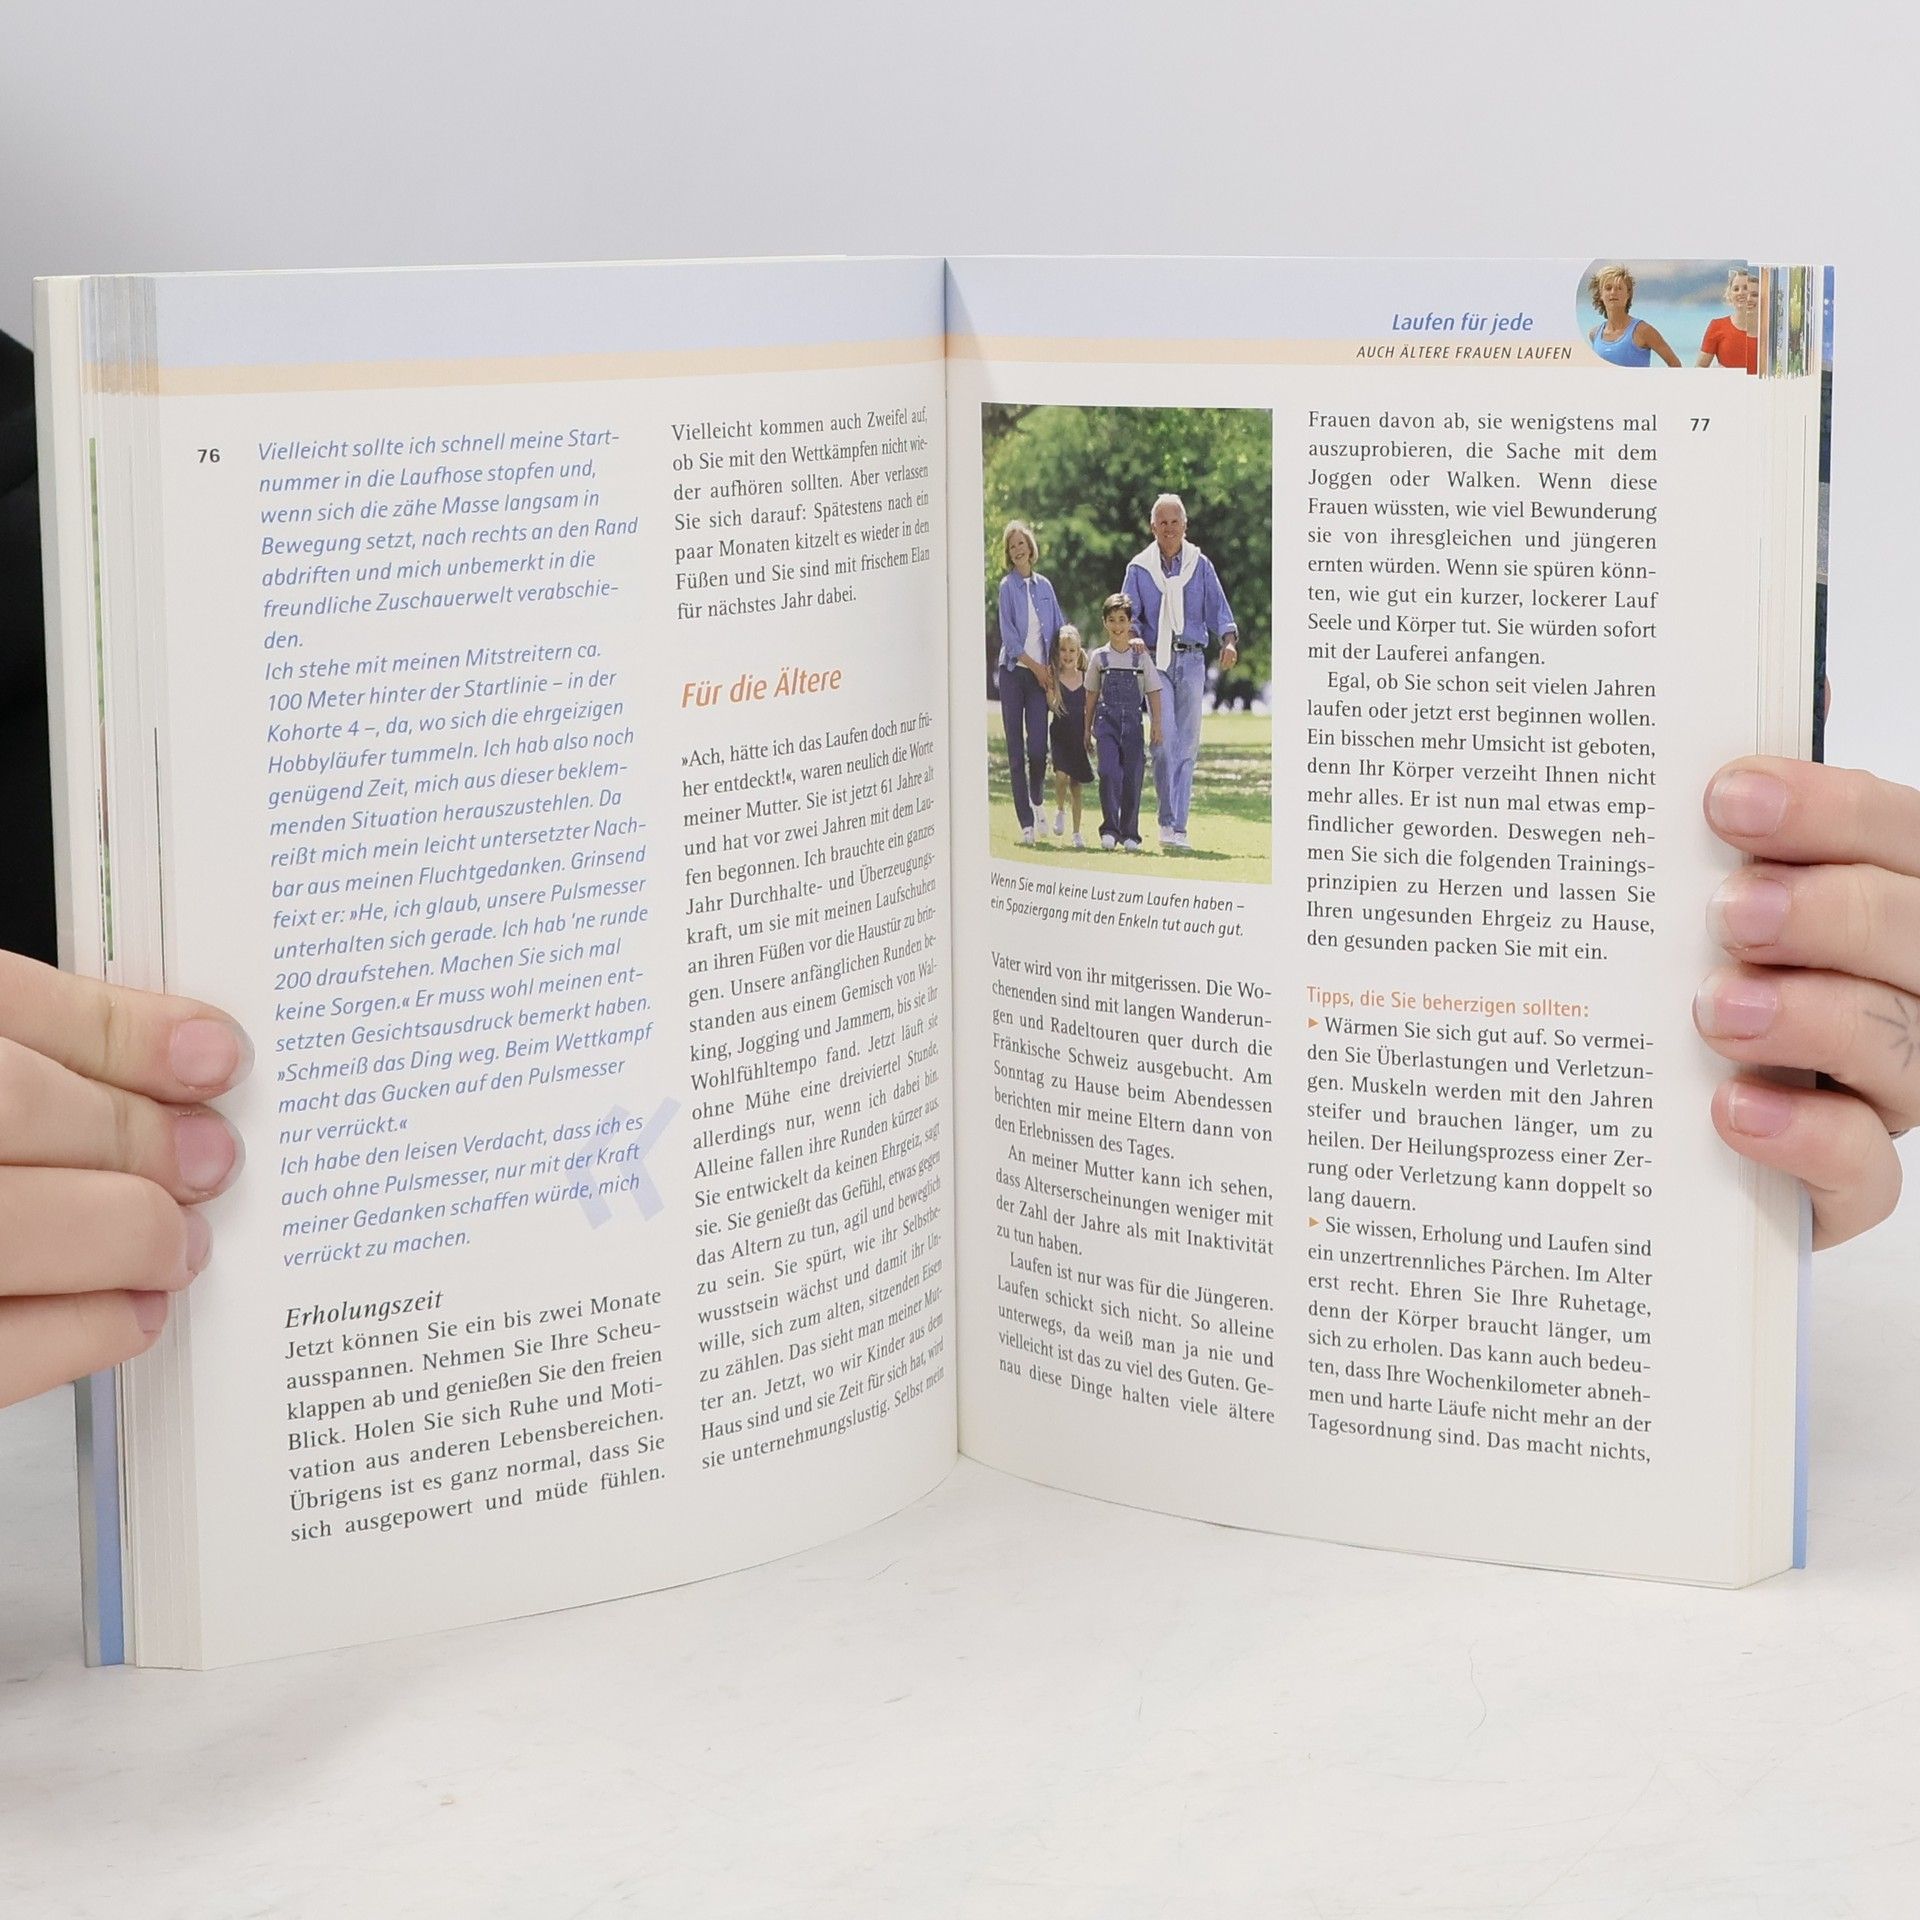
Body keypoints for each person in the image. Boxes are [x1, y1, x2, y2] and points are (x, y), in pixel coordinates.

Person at [1122, 493, 1239, 850]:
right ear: (1152, 527)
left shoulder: (1199, 565)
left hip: (1192, 661)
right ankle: (1166, 820)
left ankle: (1179, 827)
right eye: (1163, 522)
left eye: (1175, 522)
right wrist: (1134, 636)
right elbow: (1128, 617)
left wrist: (1229, 642)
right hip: (1156, 662)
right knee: (1163, 742)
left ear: (1185, 526)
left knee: (1186, 745)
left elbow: (1220, 611)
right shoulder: (1139, 568)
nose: (1169, 528)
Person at [994, 520, 1063, 846]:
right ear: (1009, 554)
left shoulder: (1045, 587)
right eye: (1012, 547)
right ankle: (1025, 824)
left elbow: (1058, 630)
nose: (1018, 550)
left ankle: (1037, 800)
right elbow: (1010, 638)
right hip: (1014, 674)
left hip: (1041, 678)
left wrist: (1053, 675)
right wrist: (1036, 668)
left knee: (1038, 748)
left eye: (1021, 543)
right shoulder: (1006, 587)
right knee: (1015, 751)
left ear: (1030, 547)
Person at [1084, 591, 1165, 852]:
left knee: (1133, 776)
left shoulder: (1140, 657)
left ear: (1130, 622)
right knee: (1107, 772)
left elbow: (1153, 691)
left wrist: (1157, 724)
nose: (1117, 626)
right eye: (1112, 620)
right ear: (1104, 623)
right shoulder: (1099, 657)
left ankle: (1130, 834)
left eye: (1122, 620)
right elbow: (1091, 695)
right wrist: (1086, 729)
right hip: (1105, 724)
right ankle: (1110, 829)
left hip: (1132, 724)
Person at [1047, 623, 1093, 849]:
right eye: (1063, 650)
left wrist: (1089, 735)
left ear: (1078, 651)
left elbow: (1091, 709)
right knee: (1061, 775)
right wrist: (1051, 691)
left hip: (1078, 736)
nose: (1067, 655)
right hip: (1060, 735)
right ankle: (1059, 810)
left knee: (1076, 785)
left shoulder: (1086, 678)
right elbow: (1051, 704)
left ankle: (1076, 832)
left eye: (1071, 650)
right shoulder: (1054, 678)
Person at [1586, 263, 1682, 368]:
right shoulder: (1594, 334)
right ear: (1600, 294)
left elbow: (1675, 364)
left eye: (1619, 288)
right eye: (1608, 288)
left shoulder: (1643, 331)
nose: (1613, 292)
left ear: (1628, 294)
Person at [1697, 266, 1761, 372]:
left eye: (1746, 288)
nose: (1741, 293)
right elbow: (1699, 368)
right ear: (1730, 295)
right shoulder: (1717, 326)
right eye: (1736, 289)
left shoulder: (1770, 332)